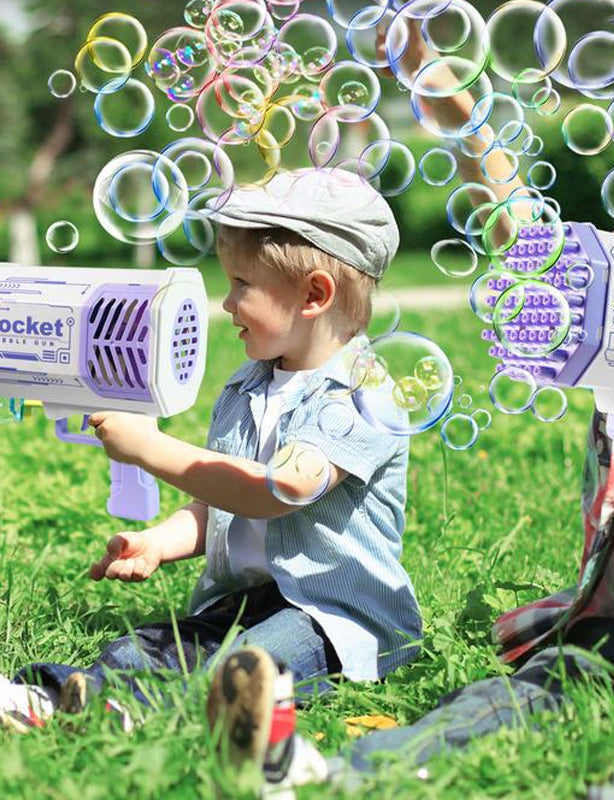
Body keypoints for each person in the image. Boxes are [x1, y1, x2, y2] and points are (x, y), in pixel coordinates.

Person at [205, 132, 614, 800]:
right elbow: (526, 243)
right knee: (497, 703)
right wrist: (466, 118)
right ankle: (325, 772)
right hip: (606, 639)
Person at [0, 168, 423, 740]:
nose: (226, 303)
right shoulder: (247, 386)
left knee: (248, 667)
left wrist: (152, 448)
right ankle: (53, 697)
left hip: (334, 616)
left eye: (242, 283)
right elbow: (220, 504)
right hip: (247, 600)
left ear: (314, 295)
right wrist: (160, 541)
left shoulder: (363, 392)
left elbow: (280, 489)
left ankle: (134, 712)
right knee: (139, 646)